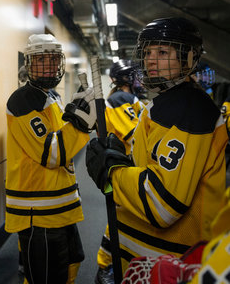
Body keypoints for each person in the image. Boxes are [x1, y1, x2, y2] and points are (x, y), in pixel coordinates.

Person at [85, 17, 228, 278]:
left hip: (165, 267)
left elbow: (161, 205)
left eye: (162, 52)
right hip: (143, 260)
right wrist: (124, 161)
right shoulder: (167, 102)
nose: (151, 60)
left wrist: (115, 172)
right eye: (148, 52)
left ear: (188, 58)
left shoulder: (188, 110)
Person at [5, 33, 97, 284]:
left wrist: (77, 117)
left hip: (61, 207)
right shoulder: (22, 100)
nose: (47, 65)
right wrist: (80, 123)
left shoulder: (52, 97)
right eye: (40, 59)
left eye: (52, 59)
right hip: (39, 212)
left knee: (70, 265)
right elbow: (52, 153)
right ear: (29, 64)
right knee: (46, 278)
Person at [96, 59, 146, 284]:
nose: (139, 80)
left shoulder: (128, 98)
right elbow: (135, 135)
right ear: (125, 78)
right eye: (134, 76)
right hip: (125, 168)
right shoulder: (118, 99)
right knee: (120, 219)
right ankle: (105, 266)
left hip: (131, 167)